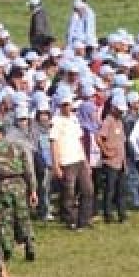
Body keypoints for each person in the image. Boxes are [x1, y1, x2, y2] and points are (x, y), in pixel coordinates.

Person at [0, 119, 37, 261]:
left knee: (5, 219)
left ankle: (8, 249)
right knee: (23, 217)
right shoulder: (18, 147)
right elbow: (28, 170)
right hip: (20, 185)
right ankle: (29, 246)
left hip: (2, 187)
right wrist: (33, 190)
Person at [51, 93, 94, 230]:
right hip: (66, 161)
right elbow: (54, 143)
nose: (70, 108)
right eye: (68, 105)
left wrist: (86, 162)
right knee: (68, 193)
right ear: (62, 106)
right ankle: (71, 220)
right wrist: (56, 165)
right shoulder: (56, 121)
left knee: (88, 190)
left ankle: (84, 219)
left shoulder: (75, 120)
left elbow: (79, 141)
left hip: (79, 159)